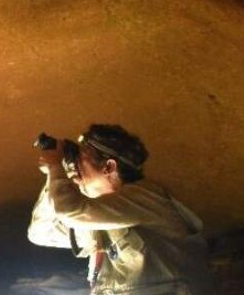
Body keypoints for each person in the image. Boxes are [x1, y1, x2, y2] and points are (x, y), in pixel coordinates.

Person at [28, 124, 214, 294]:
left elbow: (71, 212)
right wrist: (55, 176)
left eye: (81, 158)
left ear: (109, 166)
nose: (75, 165)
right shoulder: (97, 219)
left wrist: (55, 167)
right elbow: (40, 233)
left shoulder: (147, 198)